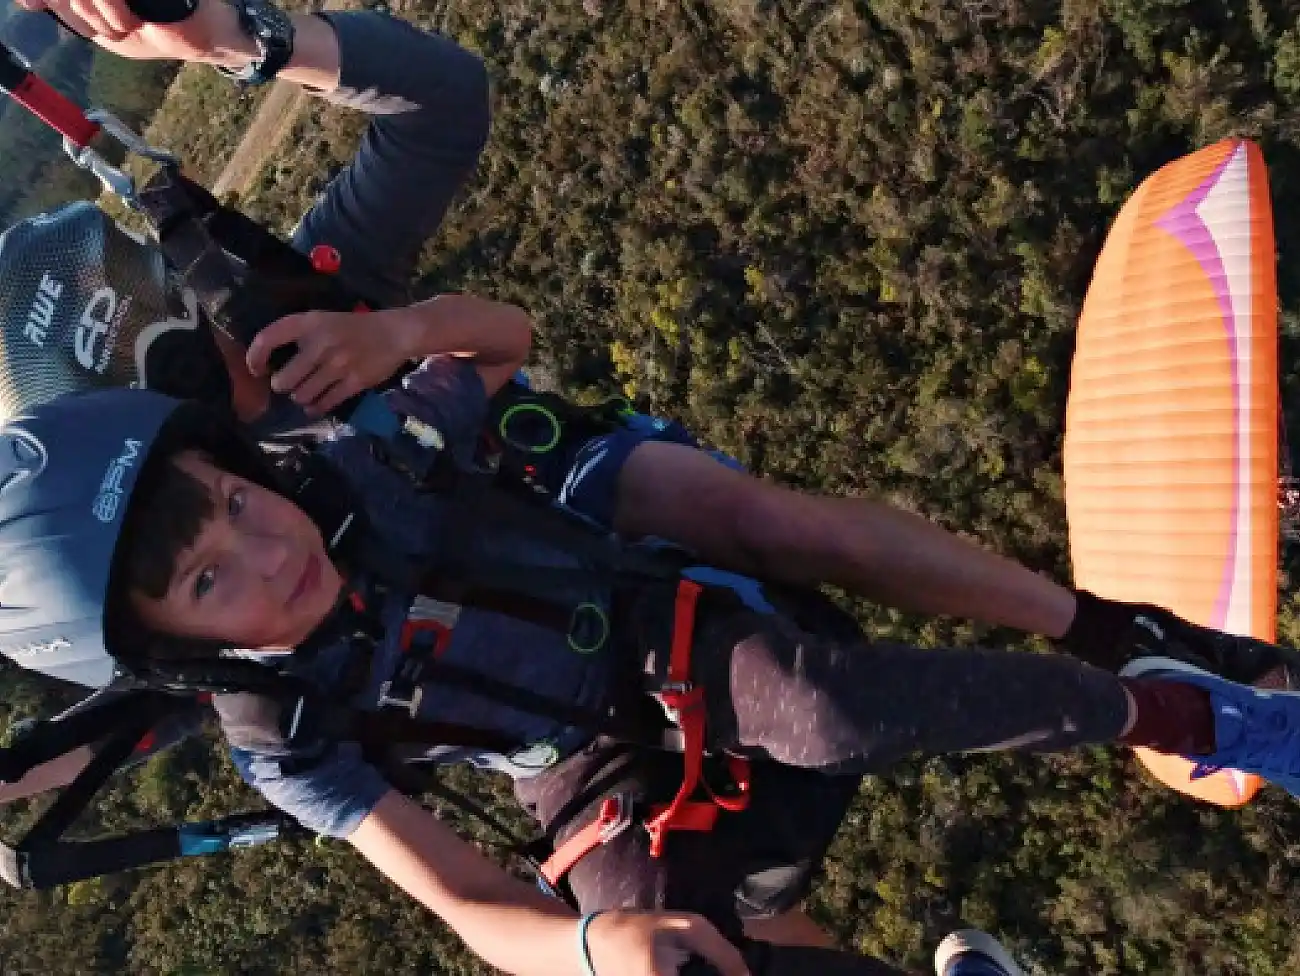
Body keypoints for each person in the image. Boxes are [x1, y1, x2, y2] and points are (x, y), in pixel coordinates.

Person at [4, 299, 1300, 976]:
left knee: (824, 701)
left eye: (236, 501)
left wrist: (401, 334)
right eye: (214, 577)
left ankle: (1178, 702)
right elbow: (464, 900)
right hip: (590, 773)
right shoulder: (278, 728)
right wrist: (589, 946)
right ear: (177, 649)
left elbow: (498, 349)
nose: (270, 548)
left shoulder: (355, 456)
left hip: (646, 615)